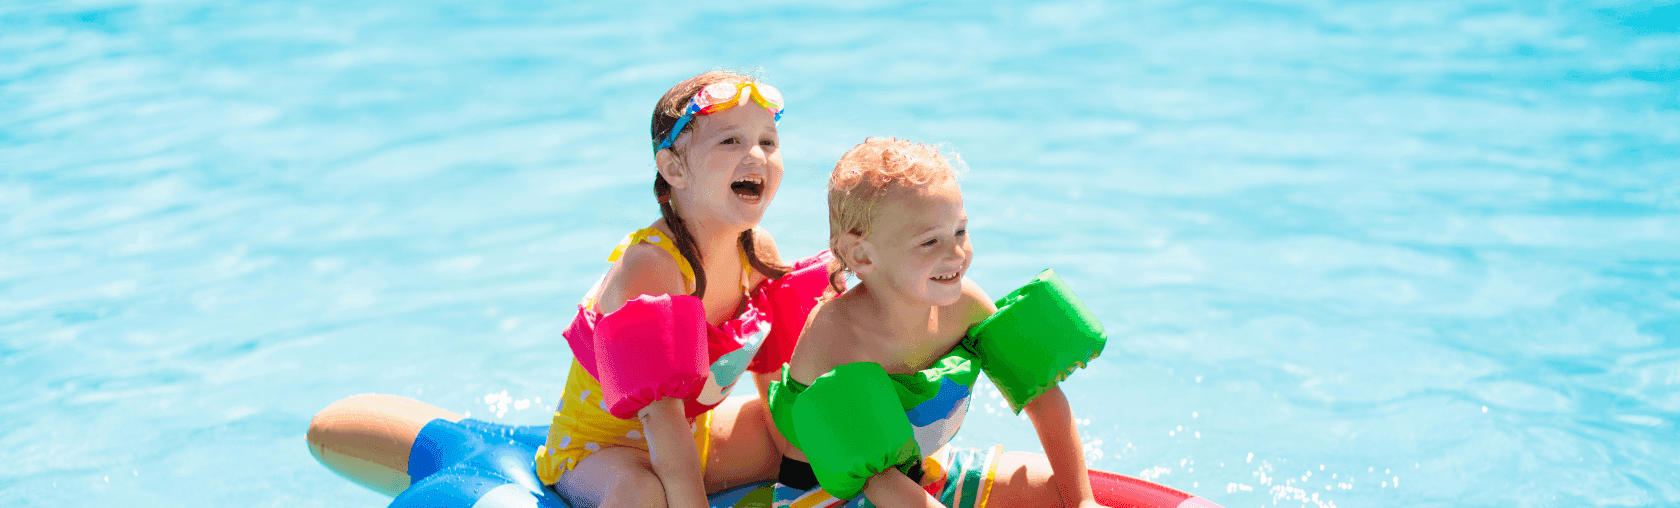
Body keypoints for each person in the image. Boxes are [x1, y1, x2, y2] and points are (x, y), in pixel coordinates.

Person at [535, 70, 831, 508]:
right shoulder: (652, 267)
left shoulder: (757, 252)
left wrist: (806, 474)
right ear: (674, 168)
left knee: (805, 431)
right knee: (642, 493)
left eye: (768, 141)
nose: (756, 154)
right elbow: (660, 416)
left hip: (694, 439)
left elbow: (775, 380)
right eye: (730, 141)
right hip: (601, 453)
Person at [768, 137, 1108, 507]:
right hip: (829, 495)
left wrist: (1082, 502)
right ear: (862, 255)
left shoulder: (965, 305)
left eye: (960, 231)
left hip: (920, 472)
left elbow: (1042, 397)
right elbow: (880, 484)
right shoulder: (838, 338)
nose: (956, 253)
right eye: (929, 242)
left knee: (1053, 489)